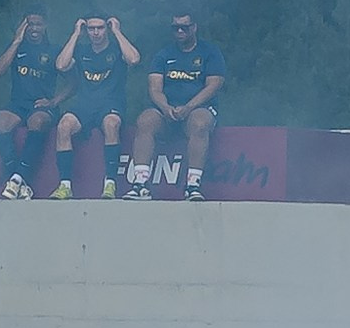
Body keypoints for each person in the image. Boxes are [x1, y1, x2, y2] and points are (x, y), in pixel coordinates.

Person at [128, 11, 229, 201]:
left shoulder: (210, 52)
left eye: (184, 27)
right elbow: (155, 87)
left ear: (194, 27)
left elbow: (214, 84)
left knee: (200, 123)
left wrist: (189, 107)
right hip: (167, 110)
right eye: (176, 28)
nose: (180, 31)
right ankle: (140, 183)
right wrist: (165, 108)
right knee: (145, 121)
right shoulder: (164, 54)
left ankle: (192, 185)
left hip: (198, 108)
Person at [49, 15, 139, 200]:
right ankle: (65, 185)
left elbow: (134, 59)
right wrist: (75, 34)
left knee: (111, 123)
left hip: (111, 103)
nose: (96, 32)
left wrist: (117, 31)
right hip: (85, 105)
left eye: (100, 28)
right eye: (91, 29)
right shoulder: (81, 50)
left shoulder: (116, 50)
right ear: (86, 30)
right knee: (64, 125)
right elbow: (60, 64)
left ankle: (110, 183)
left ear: (106, 28)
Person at [0, 11, 59, 199]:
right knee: (0, 120)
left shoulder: (54, 50)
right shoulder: (17, 48)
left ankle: (18, 178)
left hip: (41, 106)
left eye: (38, 24)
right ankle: (18, 180)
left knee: (37, 121)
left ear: (45, 26)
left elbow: (74, 82)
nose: (34, 28)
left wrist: (54, 101)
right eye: (30, 24)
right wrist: (16, 41)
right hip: (18, 103)